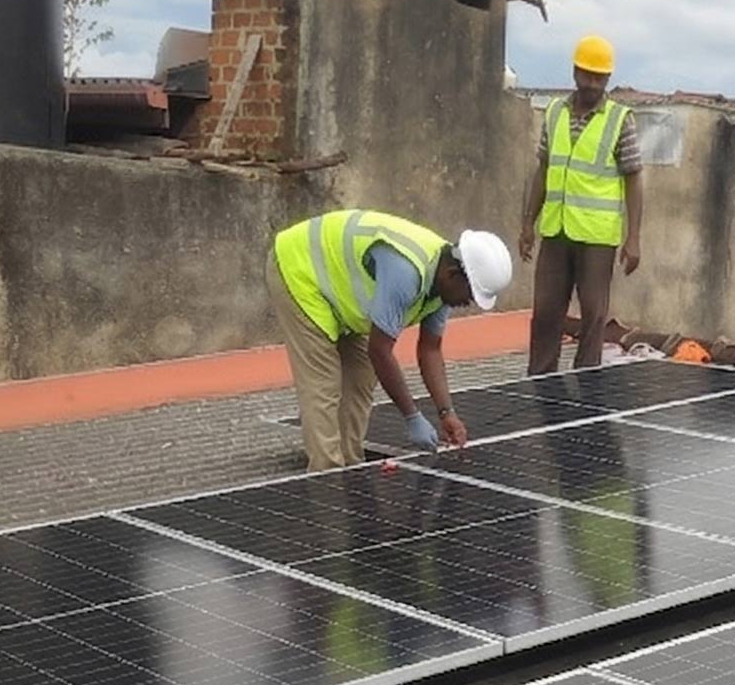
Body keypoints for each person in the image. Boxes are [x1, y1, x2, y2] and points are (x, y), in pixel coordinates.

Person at [266, 208, 513, 470]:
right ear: (453, 273)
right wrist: (412, 416)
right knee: (323, 384)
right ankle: (327, 479)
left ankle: (351, 466)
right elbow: (380, 351)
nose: (469, 302)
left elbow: (430, 350)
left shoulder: (443, 285)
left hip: (337, 290)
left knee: (361, 375)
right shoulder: (406, 273)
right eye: (471, 293)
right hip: (299, 268)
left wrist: (446, 413)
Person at [519, 34, 643, 375]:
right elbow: (543, 170)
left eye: (599, 77)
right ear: (575, 72)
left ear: (608, 79)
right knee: (545, 312)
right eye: (587, 74)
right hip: (556, 231)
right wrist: (527, 223)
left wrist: (634, 238)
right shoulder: (555, 113)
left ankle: (586, 385)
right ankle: (540, 381)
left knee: (593, 314)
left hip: (597, 237)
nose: (592, 83)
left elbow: (634, 177)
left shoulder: (620, 119)